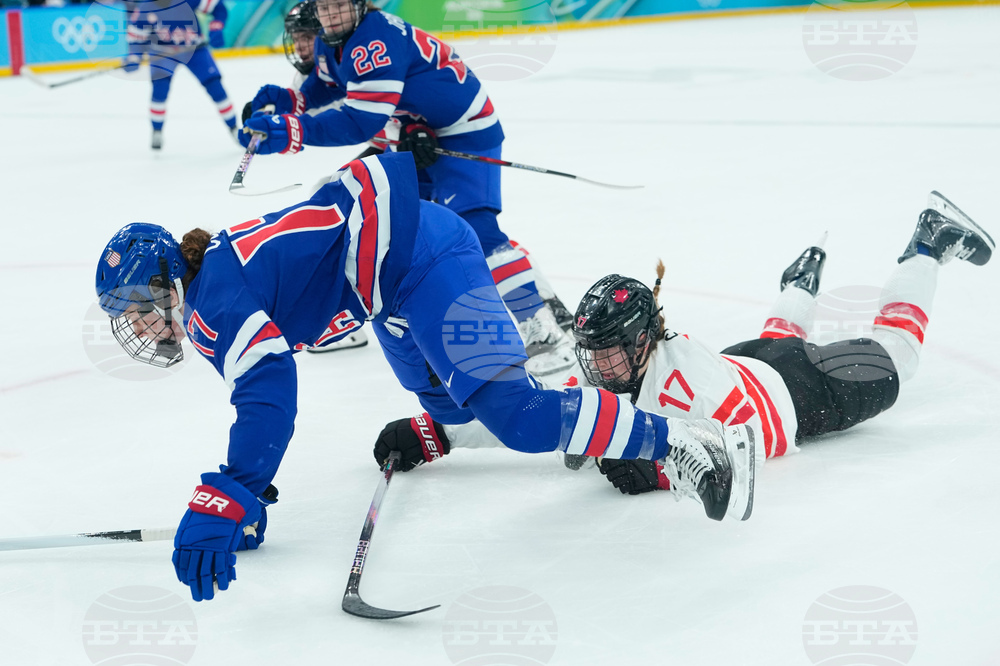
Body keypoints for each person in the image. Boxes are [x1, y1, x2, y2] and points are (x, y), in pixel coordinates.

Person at [94, 152, 757, 603]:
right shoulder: (211, 283)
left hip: (424, 259)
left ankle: (680, 441)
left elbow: (269, 396)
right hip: (395, 286)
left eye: (136, 308)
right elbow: (267, 393)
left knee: (521, 421)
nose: (138, 327)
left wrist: (229, 494)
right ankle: (586, 417)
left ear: (165, 284)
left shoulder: (211, 304)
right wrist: (248, 497)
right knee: (452, 409)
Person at [373, 191, 993, 505]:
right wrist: (439, 434)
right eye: (593, 351)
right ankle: (798, 286)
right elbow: (530, 411)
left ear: (644, 341)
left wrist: (660, 470)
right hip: (748, 361)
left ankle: (927, 245)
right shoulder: (617, 369)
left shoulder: (691, 380)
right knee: (778, 338)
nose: (599, 366)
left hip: (799, 390)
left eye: (612, 351)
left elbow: (744, 444)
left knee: (898, 354)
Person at [239, 0, 576, 375]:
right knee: (350, 209)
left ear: (359, 5)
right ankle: (344, 321)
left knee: (478, 232)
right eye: (324, 6)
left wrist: (290, 131)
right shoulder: (332, 40)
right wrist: (289, 102)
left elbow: (359, 121)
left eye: (339, 5)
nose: (331, 14)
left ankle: (543, 327)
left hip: (462, 132)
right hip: (410, 135)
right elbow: (327, 87)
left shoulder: (375, 40)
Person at [123, 0, 238, 150]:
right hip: (163, 52)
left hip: (194, 49)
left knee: (214, 86)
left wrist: (216, 26)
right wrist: (134, 57)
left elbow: (218, 7)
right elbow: (136, 36)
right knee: (160, 89)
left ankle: (234, 127)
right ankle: (157, 130)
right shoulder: (145, 7)